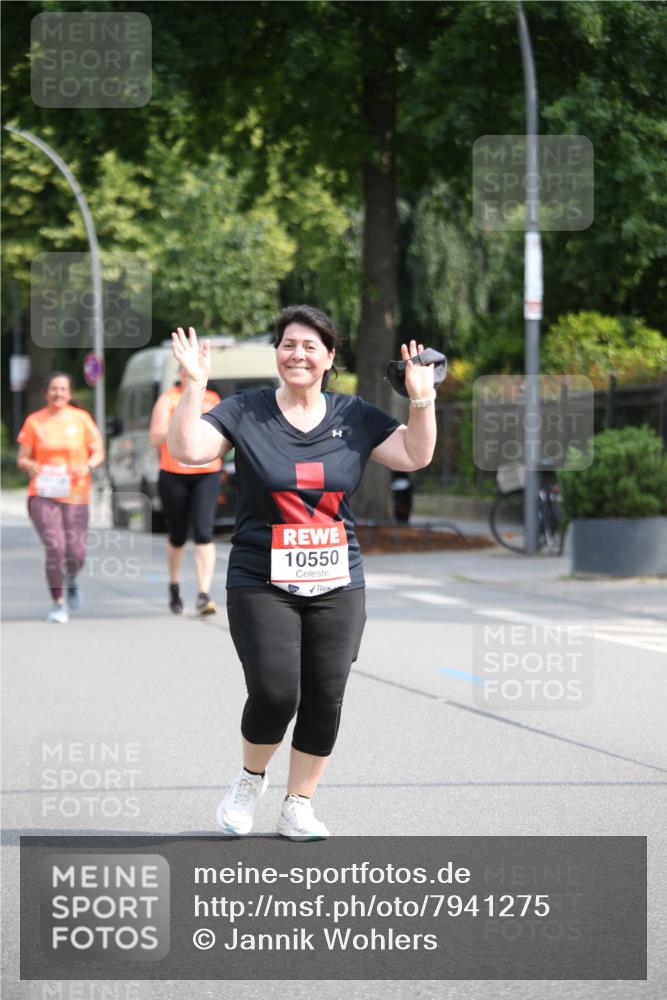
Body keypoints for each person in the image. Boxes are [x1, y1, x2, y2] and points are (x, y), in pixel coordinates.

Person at [167, 305, 437, 839]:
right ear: (277, 354)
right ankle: (249, 781)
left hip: (338, 579)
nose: (298, 354)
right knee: (274, 691)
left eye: (311, 346)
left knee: (325, 693)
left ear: (329, 357)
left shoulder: (354, 416)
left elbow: (414, 454)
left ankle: (299, 803)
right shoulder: (247, 411)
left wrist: (422, 397)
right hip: (260, 575)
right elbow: (187, 449)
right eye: (289, 344)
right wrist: (194, 386)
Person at [16, 372, 105, 624]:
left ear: (69, 393)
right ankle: (57, 602)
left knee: (76, 553)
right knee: (55, 547)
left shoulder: (81, 419)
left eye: (63, 389)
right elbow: (22, 458)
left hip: (76, 494)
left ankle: (72, 579)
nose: (58, 394)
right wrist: (29, 465)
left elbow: (98, 452)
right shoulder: (35, 421)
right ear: (46, 393)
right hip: (43, 494)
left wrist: (87, 466)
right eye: (53, 389)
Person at [149, 366, 222, 615]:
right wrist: (182, 423)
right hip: (174, 474)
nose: (189, 375)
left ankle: (204, 594)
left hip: (207, 473)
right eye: (185, 372)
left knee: (203, 531)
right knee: (177, 534)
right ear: (180, 374)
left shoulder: (211, 399)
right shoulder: (168, 398)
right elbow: (156, 437)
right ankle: (174, 584)